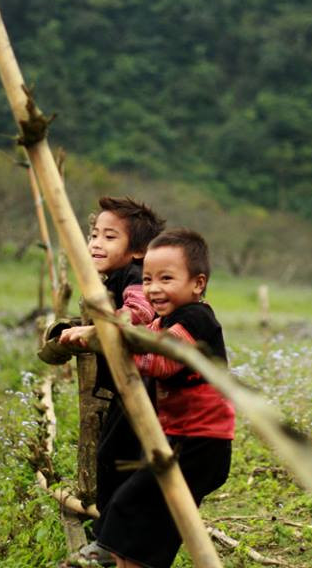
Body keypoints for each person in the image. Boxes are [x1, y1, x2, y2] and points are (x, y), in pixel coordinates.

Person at [96, 229, 235, 568]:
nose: (154, 288)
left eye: (166, 279)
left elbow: (159, 359)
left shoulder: (197, 320)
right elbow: (146, 336)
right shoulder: (169, 319)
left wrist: (113, 343)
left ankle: (113, 557)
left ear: (197, 283)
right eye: (147, 279)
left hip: (200, 444)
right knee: (156, 521)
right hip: (182, 439)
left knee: (130, 504)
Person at [58, 196, 165, 567]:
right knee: (116, 459)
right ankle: (114, 539)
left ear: (137, 250)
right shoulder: (113, 278)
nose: (96, 243)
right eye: (93, 235)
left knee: (116, 460)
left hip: (139, 390)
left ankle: (110, 542)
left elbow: (140, 311)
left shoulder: (135, 279)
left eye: (109, 237)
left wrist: (96, 328)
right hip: (128, 387)